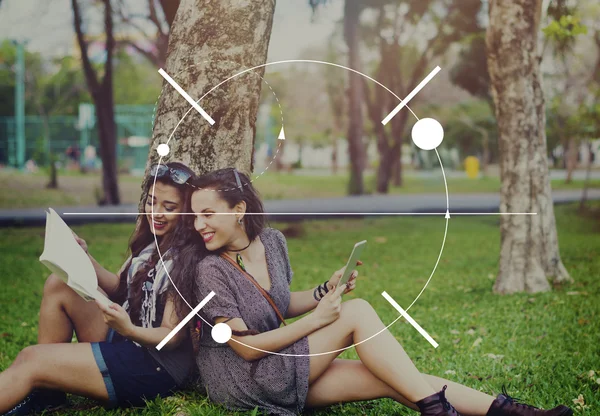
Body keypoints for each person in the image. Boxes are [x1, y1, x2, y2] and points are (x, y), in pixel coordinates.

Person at [186, 168, 573, 416]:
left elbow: (280, 304)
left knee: (396, 378)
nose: (198, 224)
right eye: (194, 215)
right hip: (244, 380)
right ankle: (438, 411)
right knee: (356, 313)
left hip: (281, 365)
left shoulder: (271, 242)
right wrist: (319, 321)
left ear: (238, 209)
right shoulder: (209, 270)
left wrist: (323, 291)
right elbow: (248, 348)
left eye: (207, 213)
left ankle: (513, 413)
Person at [0, 162, 200, 415]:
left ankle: (41, 378)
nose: (156, 213)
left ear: (186, 212)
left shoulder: (186, 259)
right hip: (128, 340)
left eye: (169, 207)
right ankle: (48, 395)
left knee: (33, 358)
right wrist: (84, 256)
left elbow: (171, 337)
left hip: (154, 367)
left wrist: (128, 329)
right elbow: (118, 288)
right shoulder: (152, 244)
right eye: (151, 202)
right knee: (60, 284)